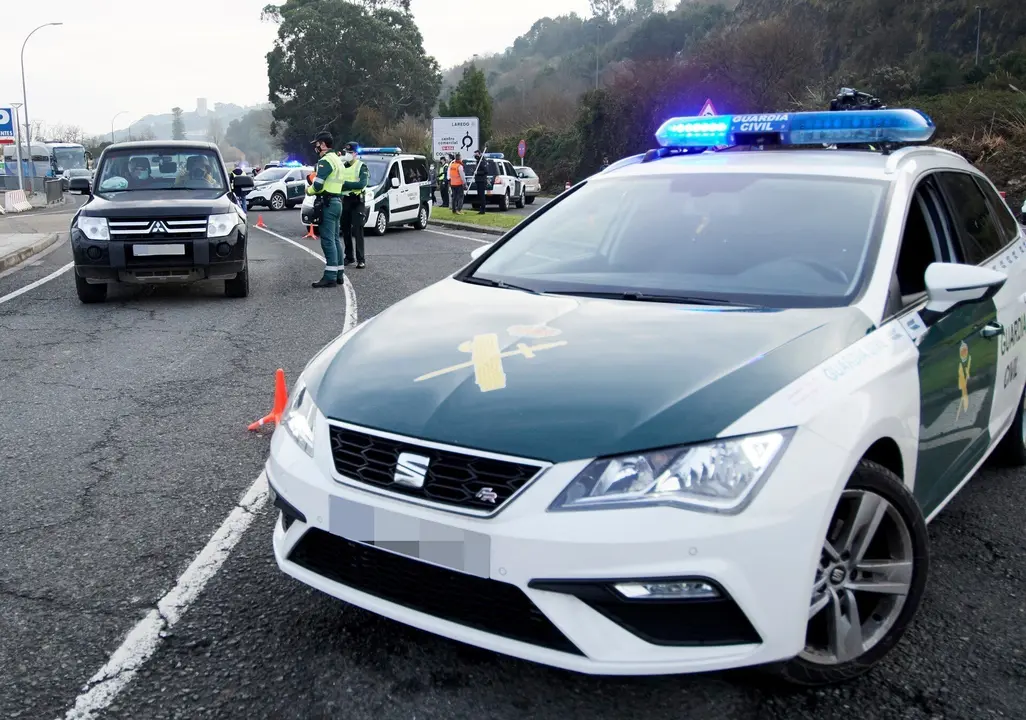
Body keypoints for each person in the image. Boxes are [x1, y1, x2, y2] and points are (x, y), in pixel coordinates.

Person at [305, 131, 346, 288]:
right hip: (337, 201)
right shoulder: (337, 159)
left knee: (328, 241)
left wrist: (308, 190)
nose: (315, 148)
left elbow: (317, 185)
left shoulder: (325, 161)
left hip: (327, 203)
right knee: (335, 239)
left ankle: (330, 276)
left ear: (323, 145)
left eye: (317, 144)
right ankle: (339, 273)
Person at [337, 140, 370, 269]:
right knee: (345, 229)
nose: (348, 154)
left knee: (358, 229)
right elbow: (337, 182)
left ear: (356, 153)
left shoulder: (362, 166)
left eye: (350, 152)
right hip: (345, 200)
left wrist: (345, 184)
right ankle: (349, 256)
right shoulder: (342, 166)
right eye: (346, 152)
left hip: (357, 201)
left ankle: (361, 259)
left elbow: (361, 184)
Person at [472, 150, 488, 214]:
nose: (475, 156)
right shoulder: (478, 161)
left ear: (480, 154)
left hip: (482, 181)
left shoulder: (482, 161)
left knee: (482, 195)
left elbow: (486, 171)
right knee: (479, 195)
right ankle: (481, 208)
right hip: (478, 180)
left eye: (476, 154)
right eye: (475, 155)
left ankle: (483, 210)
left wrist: (477, 172)